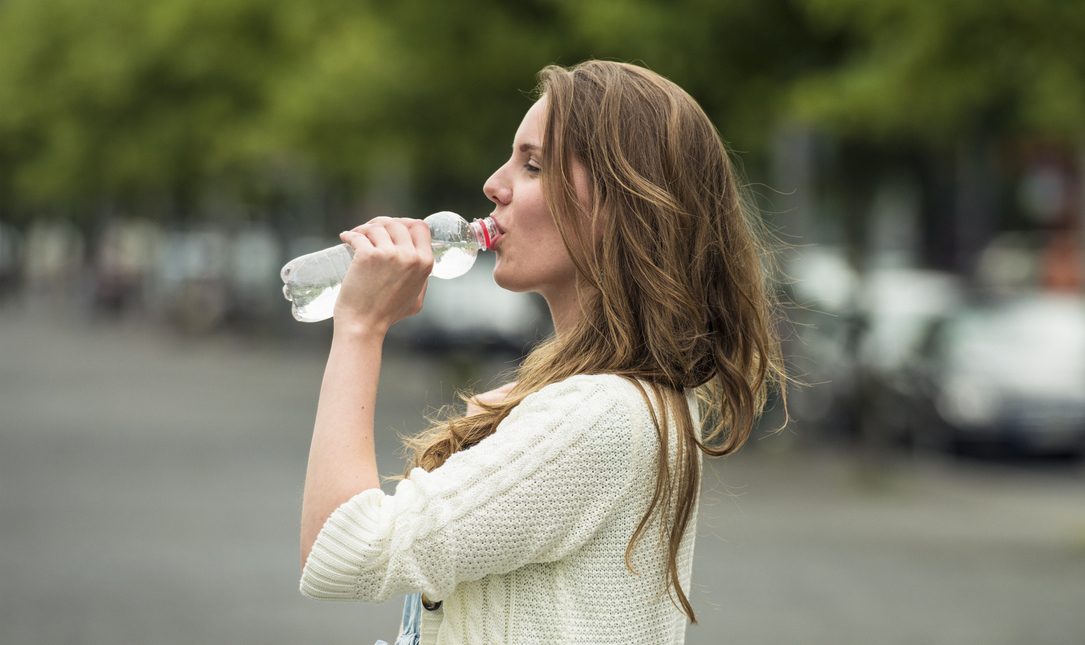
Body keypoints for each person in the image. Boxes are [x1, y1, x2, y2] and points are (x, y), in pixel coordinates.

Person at [298, 60, 786, 645]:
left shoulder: (598, 415)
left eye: (532, 165)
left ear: (620, 204)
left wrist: (359, 329)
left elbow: (342, 551)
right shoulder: (607, 404)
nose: (493, 185)